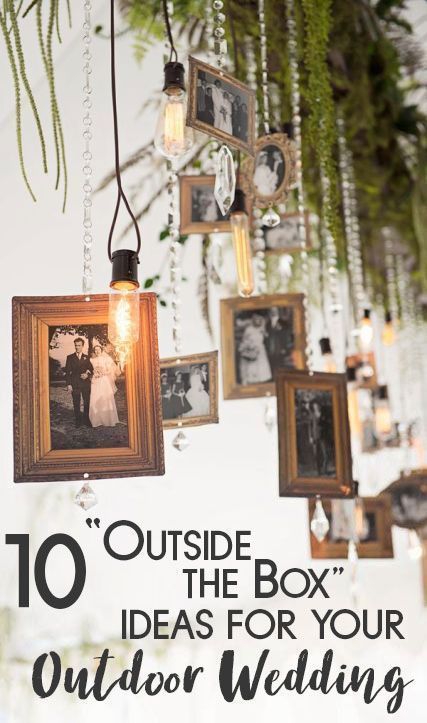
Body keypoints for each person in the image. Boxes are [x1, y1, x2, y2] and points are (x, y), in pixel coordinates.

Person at [89, 345, 120, 427]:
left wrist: (103, 373)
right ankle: (96, 420)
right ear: (94, 351)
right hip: (95, 381)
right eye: (95, 350)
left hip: (104, 380)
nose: (97, 351)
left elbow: (110, 370)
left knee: (105, 398)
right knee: (95, 398)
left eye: (98, 349)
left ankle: (108, 420)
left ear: (101, 350)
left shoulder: (106, 359)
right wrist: (95, 373)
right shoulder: (92, 360)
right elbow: (89, 369)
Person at [65, 338, 93, 427]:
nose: (77, 347)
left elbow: (91, 369)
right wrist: (69, 384)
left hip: (85, 384)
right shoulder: (70, 357)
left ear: (83, 346)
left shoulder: (87, 357)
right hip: (75, 383)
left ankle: (86, 420)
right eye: (76, 345)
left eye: (79, 345)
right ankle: (78, 421)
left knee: (87, 402)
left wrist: (87, 375)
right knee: (76, 402)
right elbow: (68, 372)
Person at [237, 314, 272, 385]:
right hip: (252, 349)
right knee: (252, 366)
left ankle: (261, 379)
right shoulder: (249, 329)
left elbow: (266, 337)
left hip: (260, 350)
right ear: (253, 320)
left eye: (259, 320)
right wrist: (249, 346)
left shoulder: (262, 329)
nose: (258, 321)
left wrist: (264, 333)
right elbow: (244, 339)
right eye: (256, 320)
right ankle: (252, 380)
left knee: (261, 366)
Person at [265, 307, 294, 373]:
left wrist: (284, 348)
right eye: (272, 311)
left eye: (275, 311)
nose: (273, 312)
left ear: (277, 312)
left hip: (280, 346)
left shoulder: (283, 322)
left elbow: (286, 336)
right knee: (272, 362)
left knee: (280, 363)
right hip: (271, 347)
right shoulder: (268, 323)